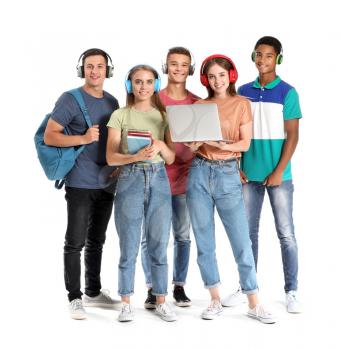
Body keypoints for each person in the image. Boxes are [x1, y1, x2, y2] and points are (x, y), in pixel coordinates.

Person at [185, 54, 276, 323]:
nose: (217, 81)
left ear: (231, 76)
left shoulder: (241, 104)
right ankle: (214, 299)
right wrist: (193, 145)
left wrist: (223, 146)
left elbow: (245, 144)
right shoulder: (199, 105)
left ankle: (253, 301)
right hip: (199, 172)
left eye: (221, 75)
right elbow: (194, 144)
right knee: (204, 241)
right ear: (205, 79)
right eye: (211, 76)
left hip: (227, 173)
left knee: (241, 241)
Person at [221, 36, 303, 314]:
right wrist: (237, 167)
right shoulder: (242, 91)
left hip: (279, 176)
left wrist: (279, 170)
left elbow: (292, 136)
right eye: (259, 54)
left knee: (286, 233)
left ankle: (291, 291)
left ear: (278, 58)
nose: (262, 60)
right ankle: (247, 286)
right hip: (247, 175)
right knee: (246, 234)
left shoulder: (288, 93)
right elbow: (235, 133)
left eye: (269, 55)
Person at [44, 48, 120, 320]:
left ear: (108, 71)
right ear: (82, 69)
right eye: (90, 66)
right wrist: (83, 138)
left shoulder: (112, 102)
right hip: (79, 182)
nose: (95, 71)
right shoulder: (70, 99)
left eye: (100, 66)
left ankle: (93, 291)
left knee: (97, 241)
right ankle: (74, 297)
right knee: (74, 242)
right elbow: (51, 136)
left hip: (107, 182)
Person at [106, 64, 177, 322]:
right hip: (130, 178)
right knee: (129, 244)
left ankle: (161, 299)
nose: (143, 87)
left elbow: (171, 158)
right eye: (138, 82)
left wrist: (159, 145)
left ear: (156, 86)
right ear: (129, 85)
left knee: (159, 243)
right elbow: (111, 157)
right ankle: (125, 301)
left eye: (148, 82)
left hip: (159, 179)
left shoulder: (164, 116)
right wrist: (135, 155)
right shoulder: (120, 115)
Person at [141, 47, 200, 309]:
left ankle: (178, 286)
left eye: (184, 64)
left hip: (186, 178)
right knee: (151, 237)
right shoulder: (154, 99)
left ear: (190, 69)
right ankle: (153, 288)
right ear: (165, 67)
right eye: (173, 64)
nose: (178, 69)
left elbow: (203, 141)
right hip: (155, 178)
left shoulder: (198, 103)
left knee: (183, 236)